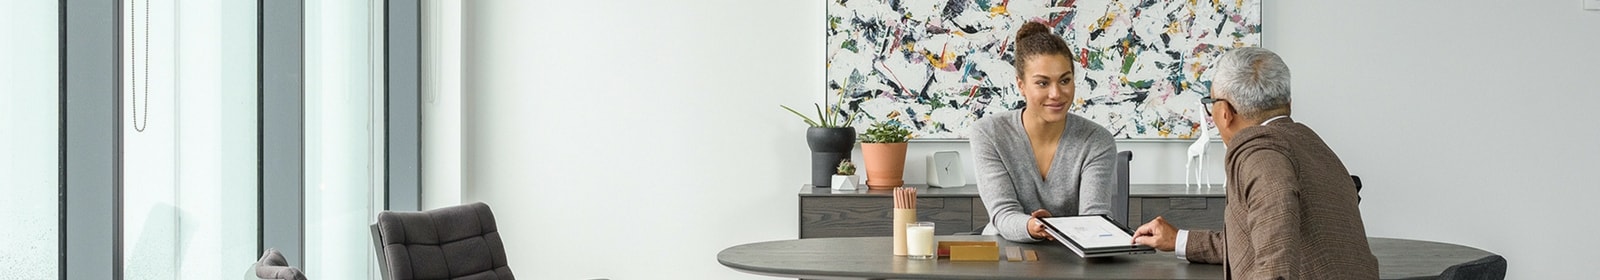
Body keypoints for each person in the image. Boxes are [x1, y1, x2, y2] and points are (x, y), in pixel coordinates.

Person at [1130, 47, 1378, 279]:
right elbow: (1260, 240)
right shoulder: (1309, 144)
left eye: (1210, 103)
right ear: (1288, 104)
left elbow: (1275, 264)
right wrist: (1179, 240)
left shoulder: (1260, 152)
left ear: (1225, 112)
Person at [970, 21, 1118, 243]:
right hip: (1004, 251)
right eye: (1042, 83)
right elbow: (1003, 213)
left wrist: (1055, 228)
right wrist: (1034, 226)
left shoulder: (1096, 140)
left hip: (1072, 252)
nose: (1056, 93)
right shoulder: (988, 133)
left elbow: (1094, 219)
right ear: (1021, 85)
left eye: (1065, 80)